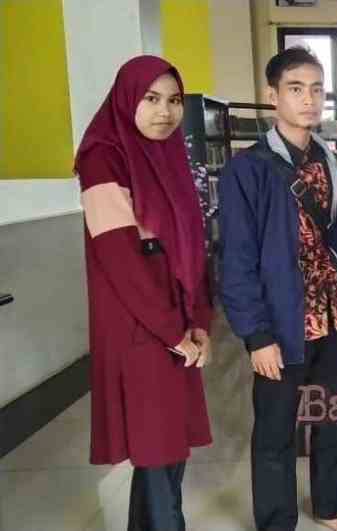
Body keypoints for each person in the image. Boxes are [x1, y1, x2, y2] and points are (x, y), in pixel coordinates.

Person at [218, 47, 337, 531]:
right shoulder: (249, 168)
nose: (308, 99)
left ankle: (330, 507)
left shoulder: (331, 162)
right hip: (281, 322)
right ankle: (277, 521)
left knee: (334, 419)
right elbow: (236, 259)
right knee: (276, 429)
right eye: (296, 89)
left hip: (331, 316)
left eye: (317, 89)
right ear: (272, 95)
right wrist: (256, 335)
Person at [76, 55, 213, 531]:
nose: (165, 112)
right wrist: (174, 331)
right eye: (151, 99)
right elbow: (120, 258)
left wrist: (199, 320)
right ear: (126, 99)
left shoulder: (168, 157)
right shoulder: (102, 158)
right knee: (157, 448)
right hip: (140, 323)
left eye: (174, 100)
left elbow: (193, 245)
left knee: (169, 447)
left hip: (176, 318)